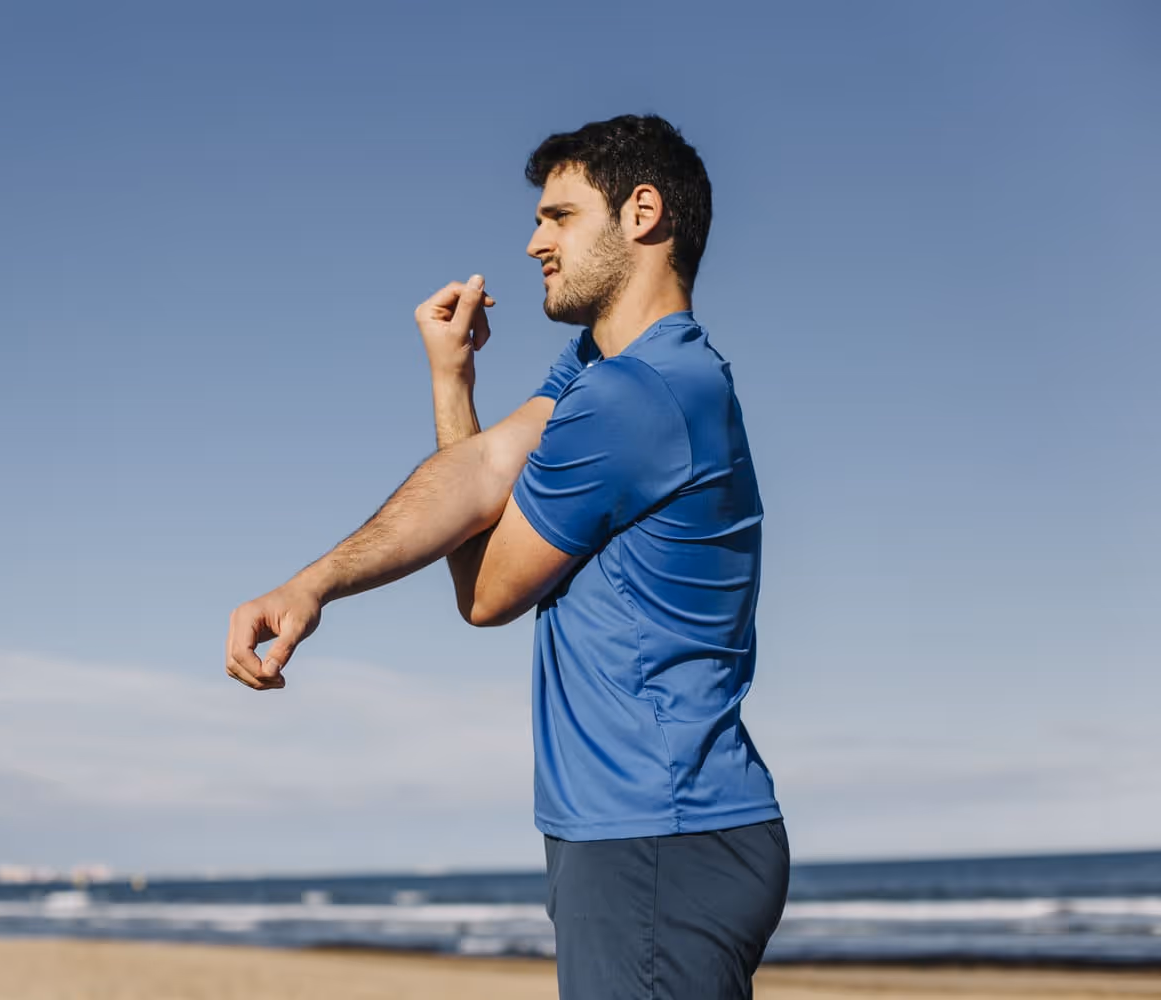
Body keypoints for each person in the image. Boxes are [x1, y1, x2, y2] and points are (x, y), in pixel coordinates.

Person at [225, 114, 787, 999]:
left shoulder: (637, 395)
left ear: (642, 212)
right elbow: (486, 470)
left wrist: (323, 583)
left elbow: (484, 590)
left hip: (653, 835)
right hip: (648, 832)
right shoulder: (600, 370)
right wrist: (314, 579)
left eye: (558, 217)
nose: (532, 243)